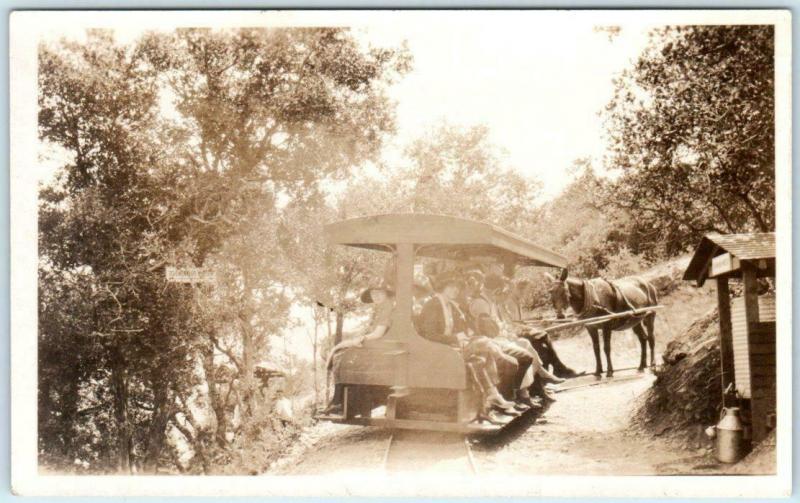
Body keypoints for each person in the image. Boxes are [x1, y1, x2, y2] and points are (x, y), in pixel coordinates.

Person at [416, 270, 523, 421]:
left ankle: (490, 400)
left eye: (457, 287)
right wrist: (455, 338)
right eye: (451, 287)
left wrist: (463, 334)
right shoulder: (433, 305)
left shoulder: (451, 305)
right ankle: (494, 391)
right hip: (435, 351)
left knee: (481, 357)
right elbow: (429, 335)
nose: (455, 290)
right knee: (484, 345)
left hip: (451, 348)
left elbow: (461, 328)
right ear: (442, 287)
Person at [471, 273, 564, 402]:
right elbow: (487, 328)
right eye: (500, 290)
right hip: (492, 339)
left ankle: (530, 387)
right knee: (525, 351)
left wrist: (506, 331)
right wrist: (505, 332)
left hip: (499, 336)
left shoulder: (490, 302)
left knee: (526, 343)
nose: (502, 293)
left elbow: (498, 323)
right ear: (494, 289)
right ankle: (525, 390)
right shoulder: (481, 303)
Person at [323, 285, 394, 416]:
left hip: (385, 346)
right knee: (342, 351)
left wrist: (360, 339)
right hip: (384, 345)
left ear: (387, 294)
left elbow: (378, 334)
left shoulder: (388, 308)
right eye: (373, 293)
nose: (376, 296)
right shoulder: (384, 308)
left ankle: (344, 403)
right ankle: (340, 401)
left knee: (343, 355)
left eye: (379, 292)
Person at [501, 279, 581, 379]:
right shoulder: (510, 303)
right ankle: (559, 369)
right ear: (518, 289)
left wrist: (539, 320)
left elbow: (521, 321)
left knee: (544, 341)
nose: (525, 294)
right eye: (525, 291)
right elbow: (514, 324)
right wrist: (533, 326)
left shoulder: (516, 301)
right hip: (513, 333)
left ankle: (559, 369)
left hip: (518, 329)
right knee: (543, 337)